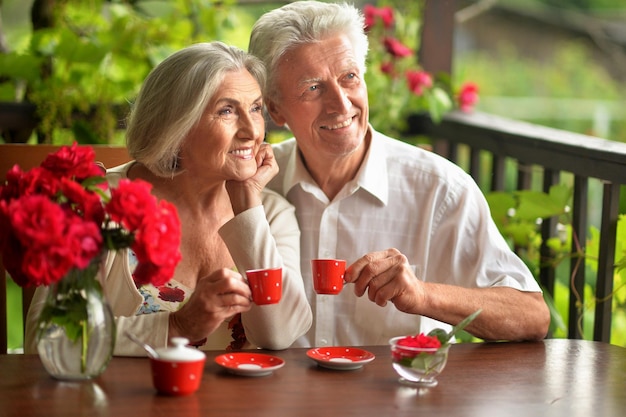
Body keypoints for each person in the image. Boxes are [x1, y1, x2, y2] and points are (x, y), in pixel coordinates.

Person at [248, 1, 550, 347]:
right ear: (275, 109)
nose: (341, 104)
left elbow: (532, 315)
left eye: (349, 78)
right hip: (283, 398)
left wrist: (423, 295)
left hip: (398, 398)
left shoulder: (441, 189)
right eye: (313, 88)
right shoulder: (256, 183)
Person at [25, 42, 312, 355]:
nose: (252, 131)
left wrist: (247, 205)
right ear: (177, 126)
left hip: (236, 404)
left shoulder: (269, 212)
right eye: (226, 110)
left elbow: (279, 335)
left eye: (255, 108)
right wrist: (176, 326)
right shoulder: (101, 203)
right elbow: (48, 338)